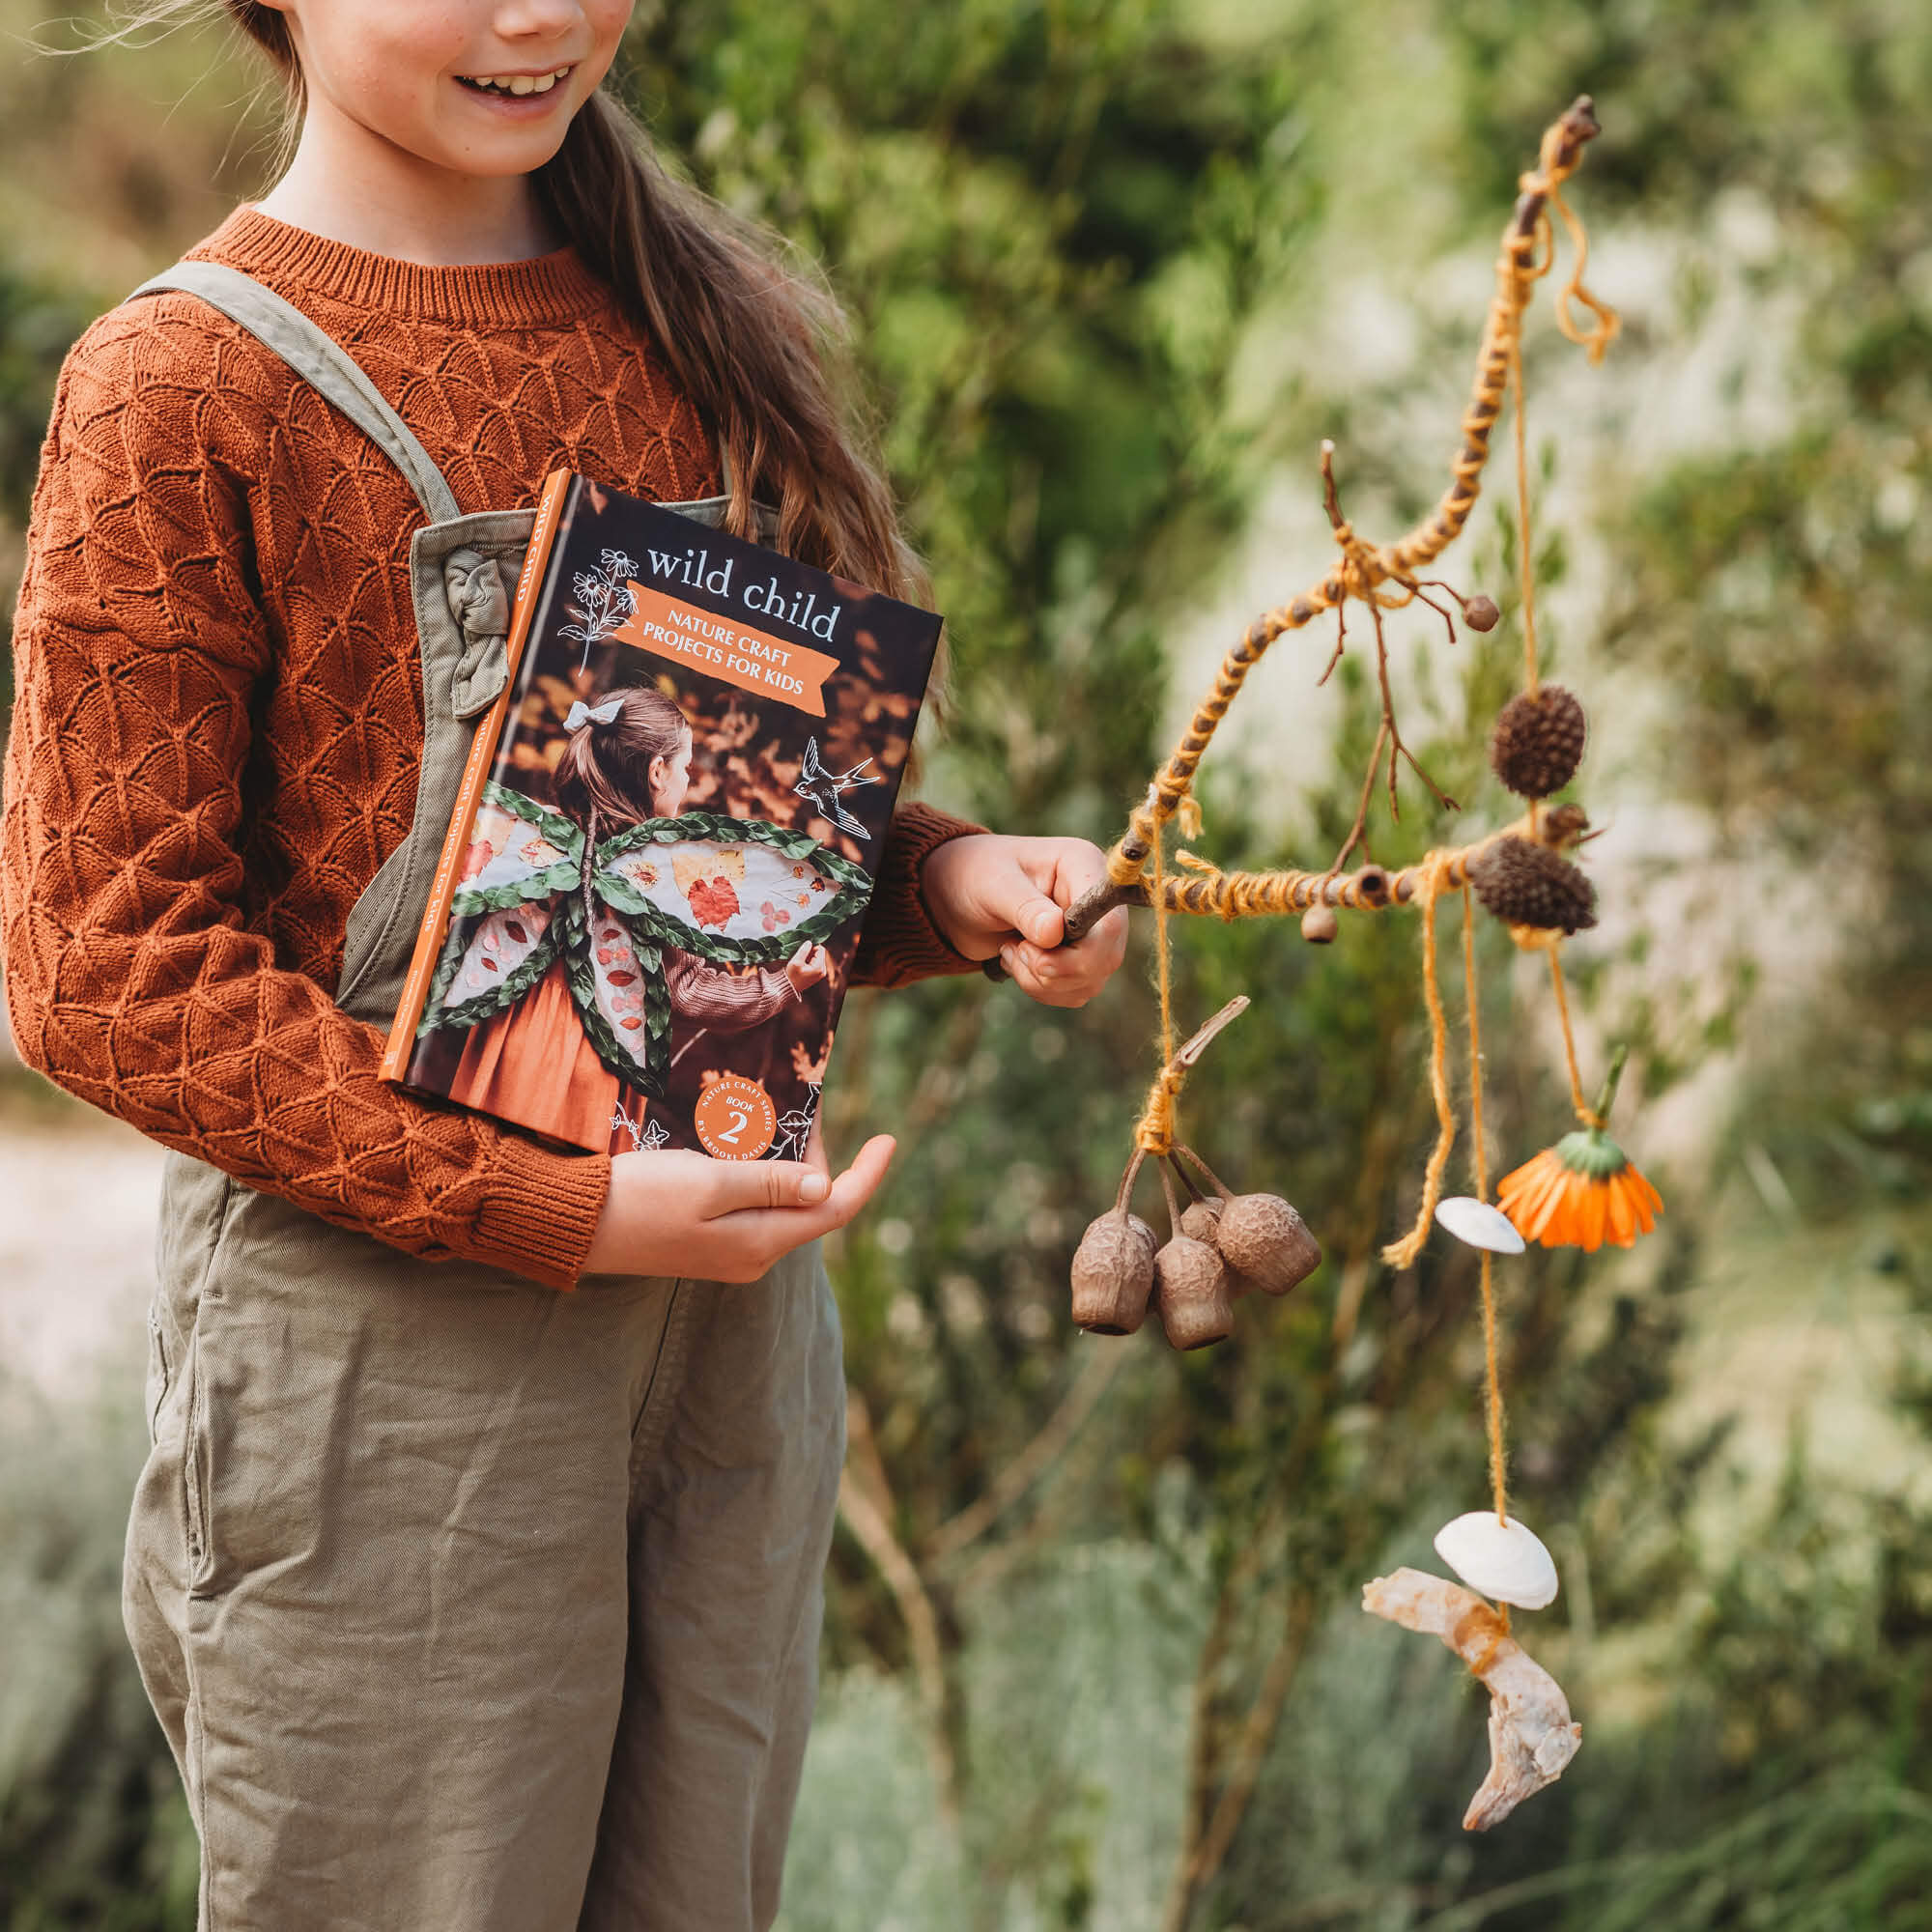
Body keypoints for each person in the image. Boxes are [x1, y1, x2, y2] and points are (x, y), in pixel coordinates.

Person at [0, 4, 1128, 1928]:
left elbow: (711, 861)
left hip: (719, 1341)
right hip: (394, 1368)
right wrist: (555, 1203)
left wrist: (951, 884)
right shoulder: (180, 384)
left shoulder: (682, 326)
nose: (540, 13)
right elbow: (103, 965)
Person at [440, 683, 834, 1151]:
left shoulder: (530, 837)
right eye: (686, 767)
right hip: (595, 1057)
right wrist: (783, 984)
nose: (689, 780)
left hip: (506, 1044)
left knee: (477, 1157)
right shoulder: (660, 879)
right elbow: (688, 992)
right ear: (657, 772)